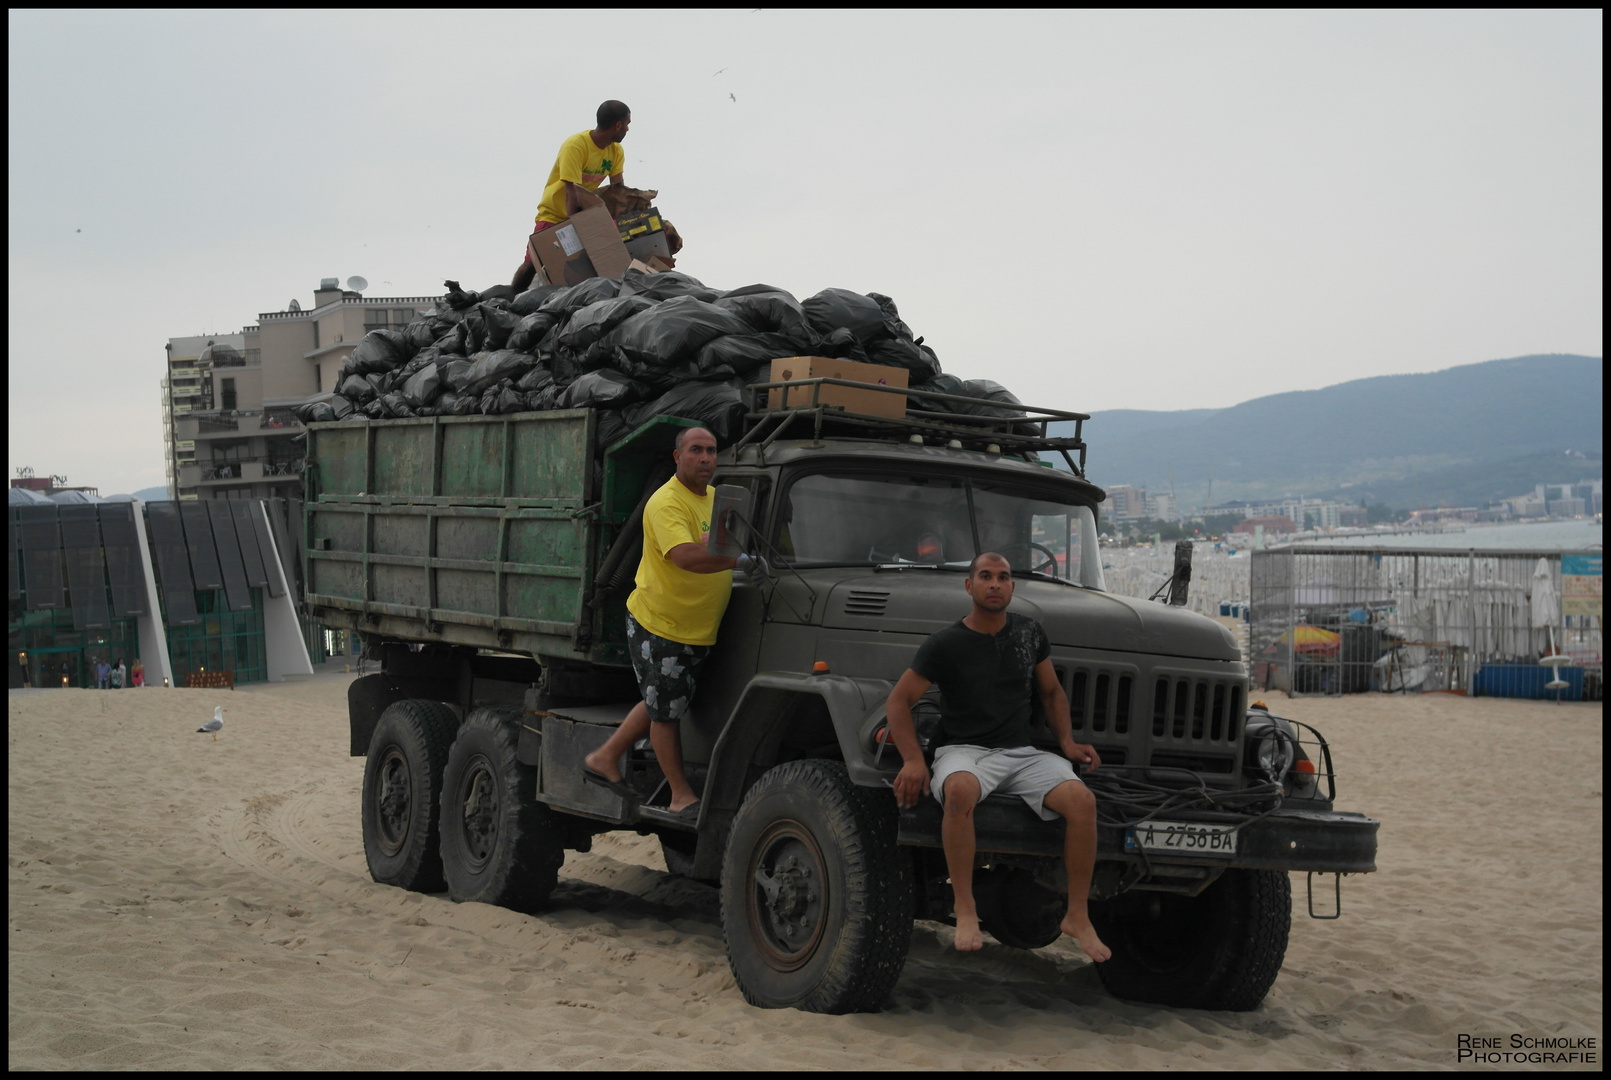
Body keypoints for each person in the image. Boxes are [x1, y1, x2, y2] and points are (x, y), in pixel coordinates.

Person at [884, 552, 1112, 960]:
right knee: (959, 791)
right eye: (985, 576)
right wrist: (914, 760)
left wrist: (1068, 743)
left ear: (1012, 587)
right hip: (963, 751)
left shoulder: (1028, 633)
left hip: (1020, 753)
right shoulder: (945, 643)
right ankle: (965, 907)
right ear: (969, 586)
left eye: (1003, 577)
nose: (995, 584)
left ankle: (1077, 915)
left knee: (1083, 802)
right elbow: (899, 701)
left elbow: (1051, 691)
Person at [582, 426, 760, 820]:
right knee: (666, 712)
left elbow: (730, 544)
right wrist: (739, 561)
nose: (706, 458)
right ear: (678, 456)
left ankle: (604, 756)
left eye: (712, 451)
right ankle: (680, 796)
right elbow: (685, 557)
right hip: (662, 624)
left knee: (664, 697)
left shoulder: (717, 500)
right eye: (696, 450)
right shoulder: (666, 503)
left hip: (695, 627)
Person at [510, 100, 632, 291]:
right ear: (618, 125)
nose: (627, 129)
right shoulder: (576, 145)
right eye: (627, 124)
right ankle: (510, 300)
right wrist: (576, 225)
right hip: (555, 212)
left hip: (583, 213)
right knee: (532, 263)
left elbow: (617, 189)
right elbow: (571, 190)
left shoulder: (615, 151)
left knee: (602, 258)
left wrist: (624, 215)